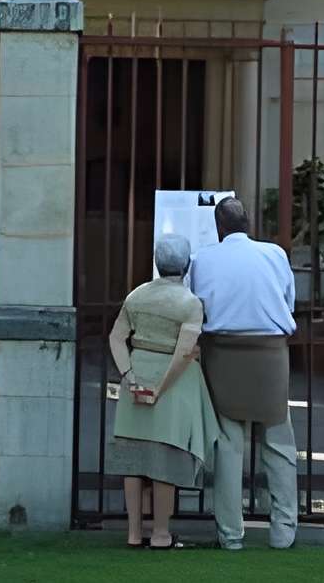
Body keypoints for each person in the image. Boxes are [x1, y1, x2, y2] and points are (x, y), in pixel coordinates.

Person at [185, 193, 298, 550]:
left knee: (229, 447)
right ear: (248, 225)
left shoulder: (202, 259)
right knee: (279, 444)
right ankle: (283, 532)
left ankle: (231, 536)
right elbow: (288, 300)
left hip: (224, 354)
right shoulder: (275, 254)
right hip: (270, 354)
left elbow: (195, 308)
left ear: (218, 228)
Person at [105, 232, 219, 549]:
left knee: (132, 456)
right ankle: (160, 533)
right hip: (172, 382)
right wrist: (160, 388)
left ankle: (132, 533)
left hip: (137, 370)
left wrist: (128, 376)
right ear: (186, 266)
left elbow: (116, 337)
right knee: (163, 458)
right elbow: (184, 353)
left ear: (157, 262)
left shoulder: (137, 295)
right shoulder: (190, 303)